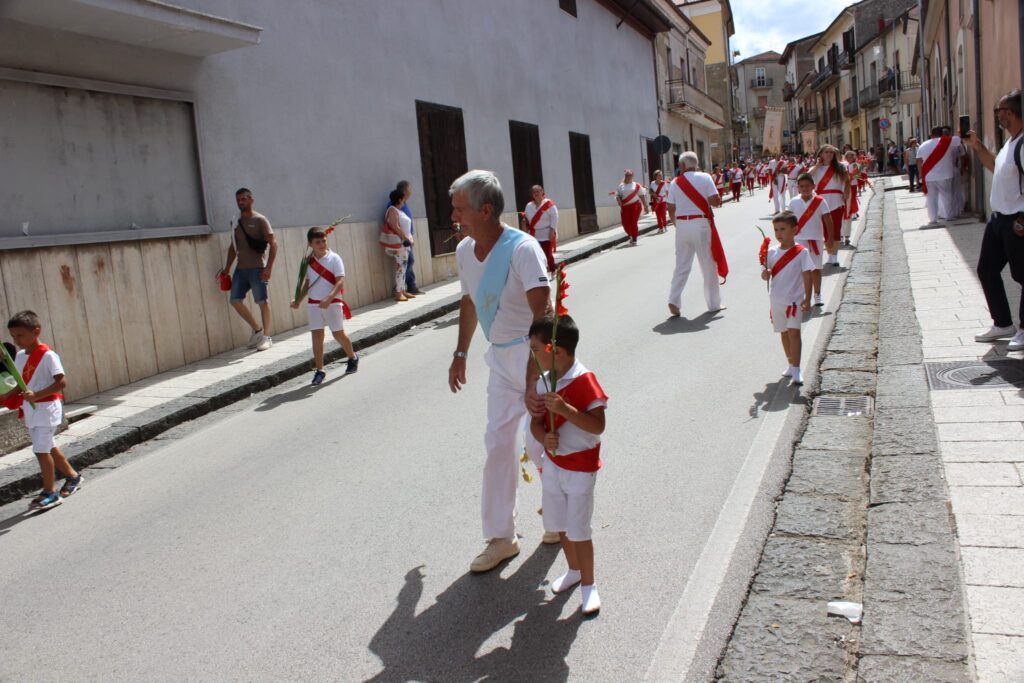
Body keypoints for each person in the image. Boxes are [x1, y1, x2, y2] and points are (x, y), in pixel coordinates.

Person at [447, 170, 552, 572]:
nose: (453, 215)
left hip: (535, 355)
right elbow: (471, 302)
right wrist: (460, 353)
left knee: (541, 440)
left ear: (485, 210)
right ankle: (501, 537)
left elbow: (543, 314)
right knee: (498, 443)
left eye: (460, 208)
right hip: (500, 359)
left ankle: (558, 515)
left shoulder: (523, 250)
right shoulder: (463, 251)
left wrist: (531, 376)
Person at [528, 315, 608, 616]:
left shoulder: (584, 380)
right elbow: (536, 425)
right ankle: (573, 570)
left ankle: (589, 585)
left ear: (555, 351)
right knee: (560, 523)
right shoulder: (543, 381)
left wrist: (564, 409)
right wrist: (543, 437)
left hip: (580, 469)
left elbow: (597, 425)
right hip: (554, 466)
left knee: (579, 528)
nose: (532, 356)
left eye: (536, 349)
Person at [2, 311, 83, 510]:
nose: (16, 340)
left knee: (40, 450)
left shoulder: (48, 355)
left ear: (36, 331)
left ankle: (50, 491)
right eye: (13, 336)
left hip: (47, 409)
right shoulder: (20, 356)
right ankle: (73, 477)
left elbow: (61, 382)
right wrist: (5, 397)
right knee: (49, 447)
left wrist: (36, 395)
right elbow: (23, 383)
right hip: (32, 410)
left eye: (20, 335)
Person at [964, 89, 1024, 352]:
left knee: (1023, 275)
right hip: (998, 220)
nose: (997, 116)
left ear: (1009, 112)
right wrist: (977, 146)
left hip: (1017, 221)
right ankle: (1003, 323)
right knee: (986, 270)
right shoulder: (1010, 143)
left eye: (999, 111)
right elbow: (993, 166)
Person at [290, 227, 358, 385]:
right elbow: (307, 282)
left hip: (332, 302)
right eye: (317, 242)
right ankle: (320, 370)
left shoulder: (334, 258)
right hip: (314, 303)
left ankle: (352, 357)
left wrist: (329, 297)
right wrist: (298, 299)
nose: (321, 244)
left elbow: (340, 280)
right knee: (317, 336)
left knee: (338, 334)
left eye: (323, 241)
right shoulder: (308, 261)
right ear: (310, 244)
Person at [665, 151, 727, 317]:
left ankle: (673, 298)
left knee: (681, 266)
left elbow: (670, 208)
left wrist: (677, 224)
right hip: (700, 224)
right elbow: (716, 201)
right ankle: (714, 304)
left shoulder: (675, 182)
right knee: (707, 265)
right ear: (696, 164)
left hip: (682, 225)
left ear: (682, 166)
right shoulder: (705, 177)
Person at [219, 188, 277, 352]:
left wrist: (268, 268)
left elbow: (274, 243)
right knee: (235, 300)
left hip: (257, 267)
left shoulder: (260, 220)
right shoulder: (235, 222)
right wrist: (227, 269)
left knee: (262, 302)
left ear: (251, 200)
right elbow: (233, 246)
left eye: (244, 199)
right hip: (241, 268)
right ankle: (257, 330)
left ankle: (266, 337)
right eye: (238, 200)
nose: (240, 202)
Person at [761, 212, 814, 385]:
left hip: (794, 300)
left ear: (794, 230)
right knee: (783, 333)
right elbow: (766, 274)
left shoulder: (801, 252)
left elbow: (807, 275)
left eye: (783, 229)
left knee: (794, 332)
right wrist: (766, 273)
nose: (779, 233)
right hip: (776, 300)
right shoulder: (771, 252)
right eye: (776, 230)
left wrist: (807, 297)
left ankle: (797, 370)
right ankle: (790, 364)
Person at [788, 173, 834, 307]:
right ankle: (801, 296)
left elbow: (828, 220)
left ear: (813, 186)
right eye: (802, 186)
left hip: (816, 239)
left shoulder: (820, 201)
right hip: (798, 240)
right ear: (798, 188)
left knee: (816, 269)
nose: (805, 188)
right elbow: (789, 220)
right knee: (800, 270)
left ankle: (817, 294)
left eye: (808, 186)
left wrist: (829, 238)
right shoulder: (793, 201)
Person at [809, 145, 850, 266]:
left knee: (836, 228)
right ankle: (829, 254)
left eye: (831, 153)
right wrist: (817, 165)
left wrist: (846, 193)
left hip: (837, 200)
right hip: (821, 201)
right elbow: (807, 177)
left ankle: (834, 256)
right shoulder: (816, 169)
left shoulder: (840, 167)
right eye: (826, 152)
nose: (829, 154)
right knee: (824, 230)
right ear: (820, 154)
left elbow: (846, 182)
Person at [916, 127, 962, 223]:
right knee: (947, 197)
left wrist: (921, 174)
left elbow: (919, 160)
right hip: (945, 174)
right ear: (942, 134)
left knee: (931, 198)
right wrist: (959, 130)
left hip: (929, 176)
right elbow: (959, 139)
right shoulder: (948, 141)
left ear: (931, 134)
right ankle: (949, 216)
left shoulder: (923, 145)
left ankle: (933, 219)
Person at [380, 189, 415, 301]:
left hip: (404, 244)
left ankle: (402, 290)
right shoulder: (392, 210)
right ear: (400, 199)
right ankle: (398, 292)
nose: (404, 201)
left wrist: (409, 238)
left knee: (403, 267)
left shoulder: (399, 211)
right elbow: (395, 226)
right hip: (399, 244)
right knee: (401, 267)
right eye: (403, 199)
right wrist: (406, 238)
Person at [390, 181, 423, 296]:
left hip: (406, 241)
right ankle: (400, 289)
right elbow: (395, 225)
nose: (411, 191)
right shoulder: (394, 208)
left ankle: (405, 288)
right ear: (404, 192)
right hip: (402, 242)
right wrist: (405, 238)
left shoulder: (403, 205)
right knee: (403, 265)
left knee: (406, 263)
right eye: (409, 189)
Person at [521, 185, 560, 273]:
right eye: (534, 192)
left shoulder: (549, 204)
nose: (536, 194)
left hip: (547, 233)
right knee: (536, 255)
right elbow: (527, 218)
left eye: (538, 191)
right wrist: (524, 222)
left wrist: (552, 230)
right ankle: (541, 273)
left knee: (547, 254)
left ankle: (553, 270)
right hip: (534, 234)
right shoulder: (529, 205)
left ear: (542, 192)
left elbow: (555, 217)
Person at [616, 169, 648, 246]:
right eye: (627, 175)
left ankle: (634, 239)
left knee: (633, 222)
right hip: (625, 207)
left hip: (635, 206)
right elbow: (618, 196)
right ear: (625, 176)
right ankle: (630, 235)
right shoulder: (621, 186)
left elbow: (641, 195)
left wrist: (645, 205)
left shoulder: (636, 185)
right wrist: (618, 200)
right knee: (625, 223)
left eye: (630, 175)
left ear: (633, 176)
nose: (629, 177)